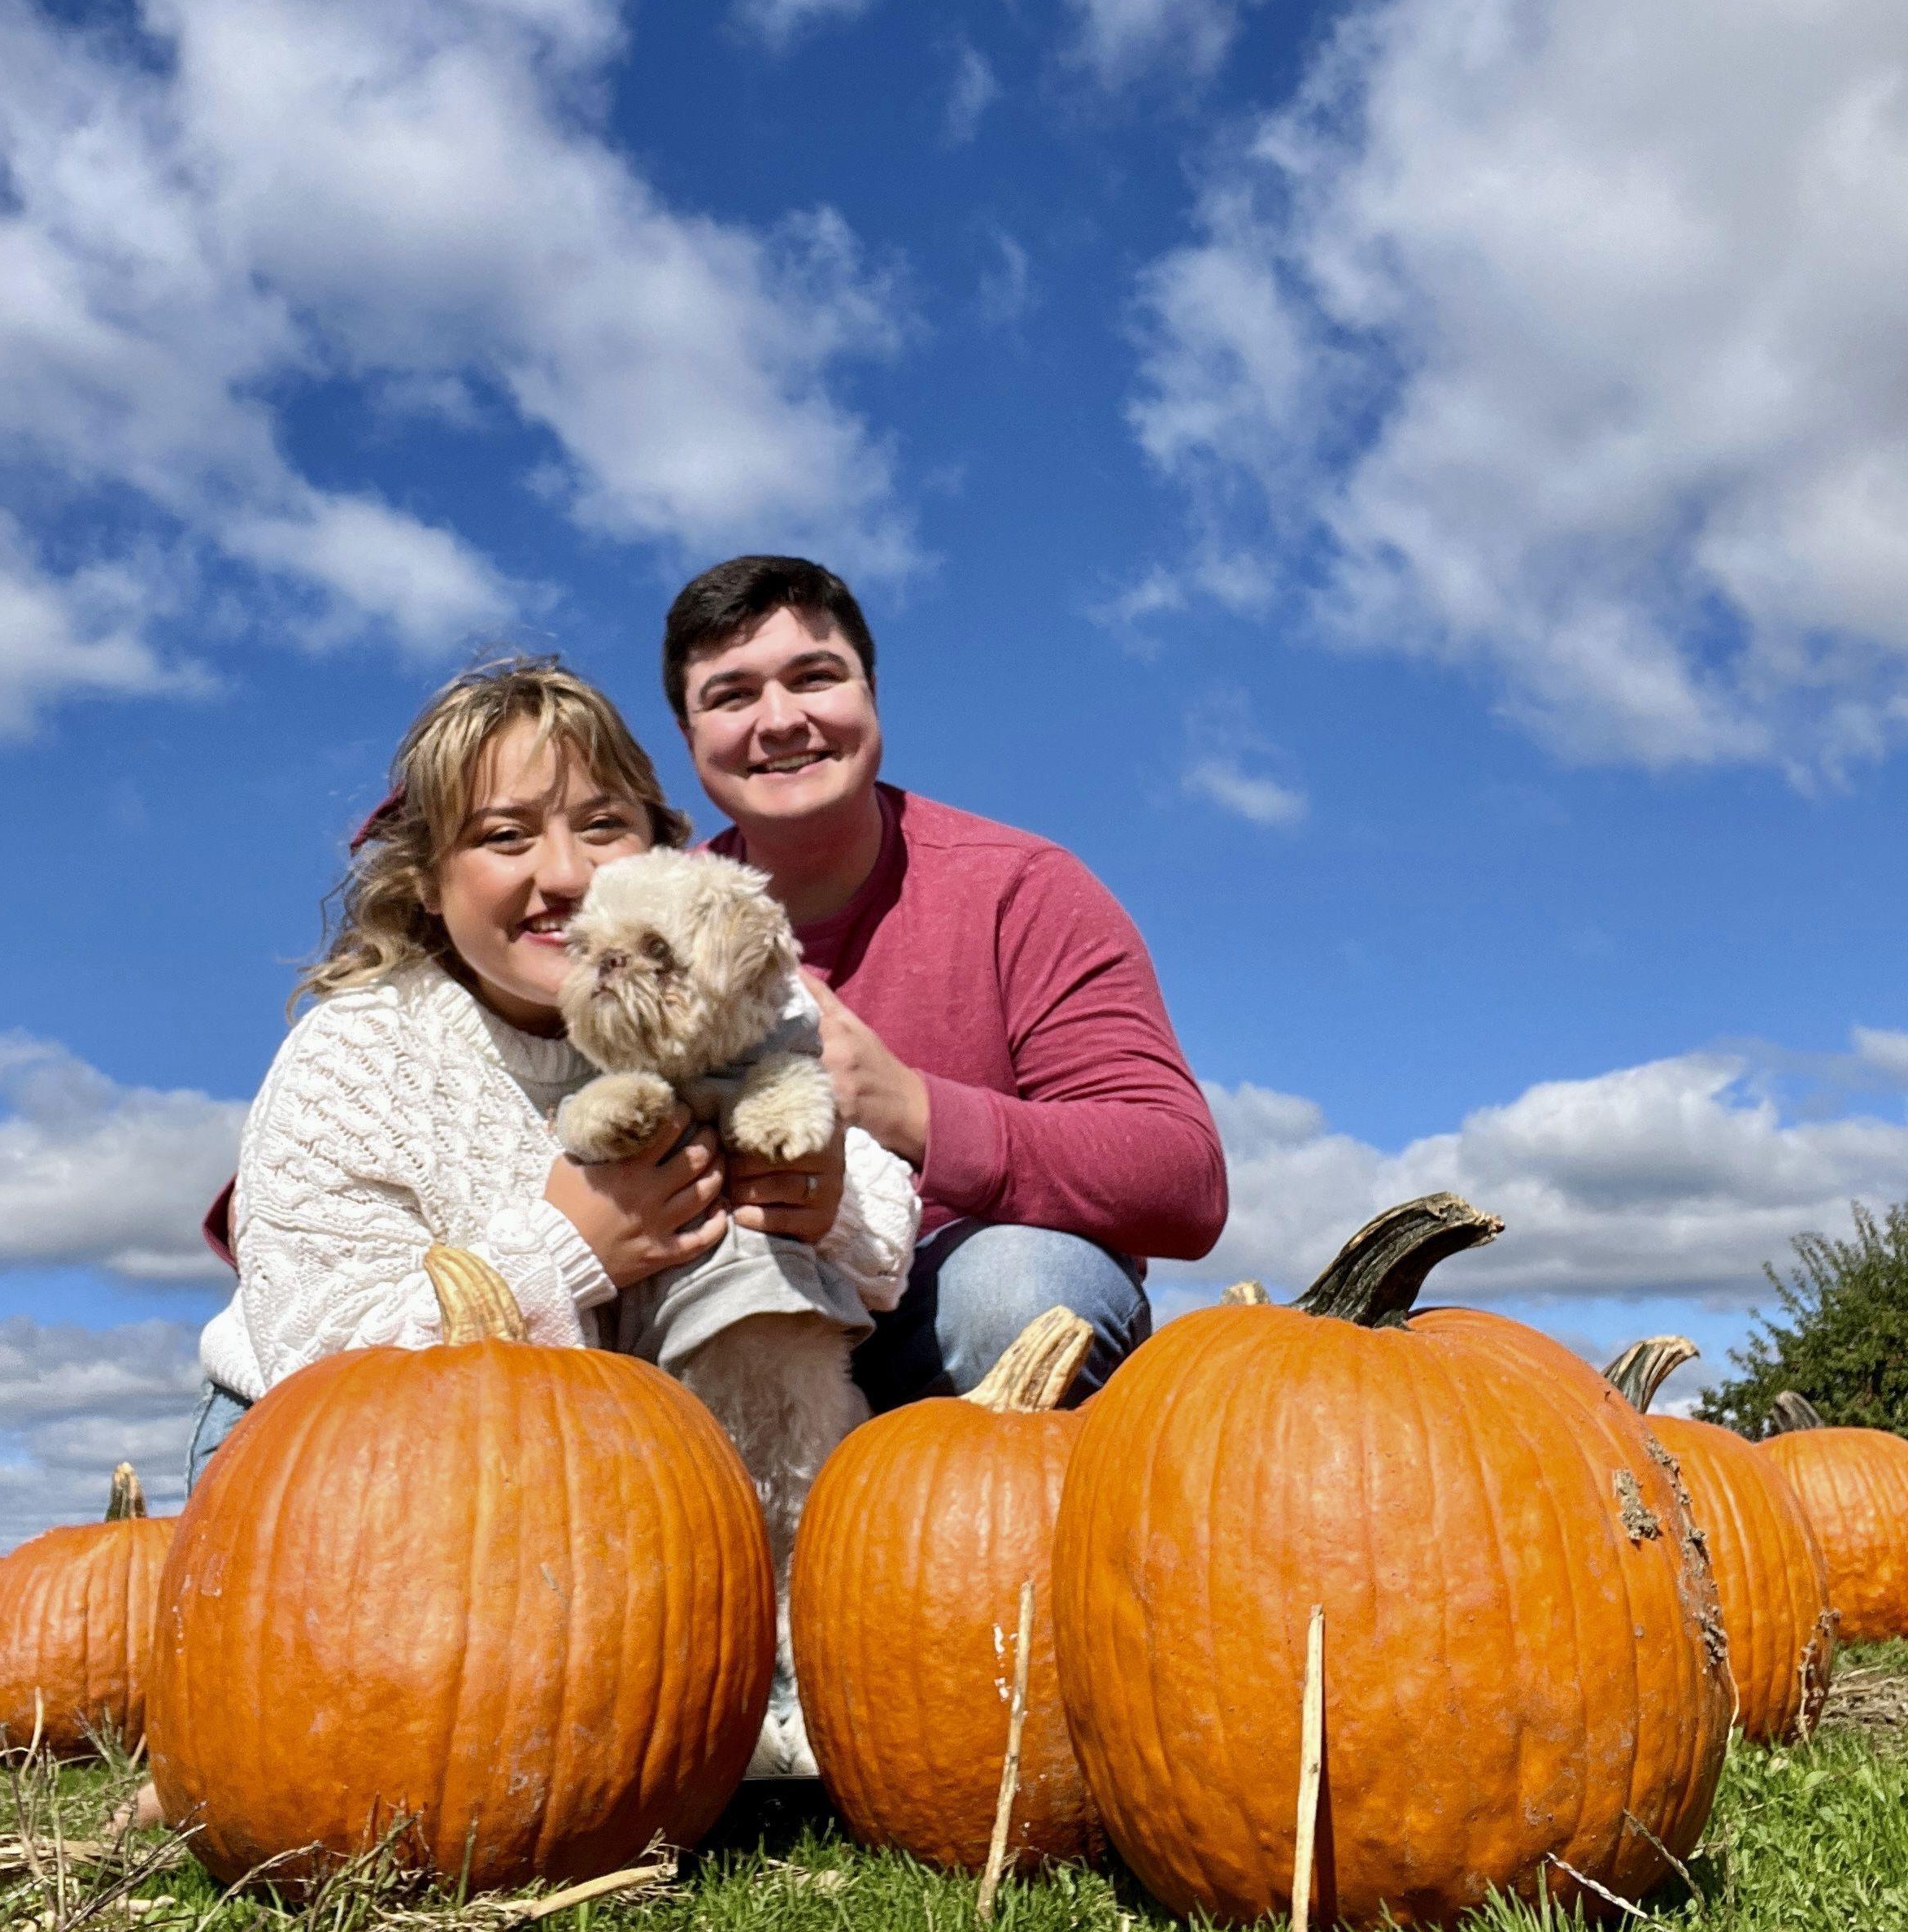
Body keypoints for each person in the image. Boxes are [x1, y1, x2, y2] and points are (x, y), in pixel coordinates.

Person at [188, 658, 917, 1519]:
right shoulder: (353, 1057)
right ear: (426, 879)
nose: (565, 873)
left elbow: (880, 1212)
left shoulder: (722, 990)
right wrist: (570, 1248)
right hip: (351, 1477)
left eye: (602, 823)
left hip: (618, 1460)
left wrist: (821, 1198)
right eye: (505, 835)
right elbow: (324, 1362)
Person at [664, 556, 1228, 1409]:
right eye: (731, 694)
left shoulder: (1021, 888)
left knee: (1020, 1285)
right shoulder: (645, 918)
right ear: (687, 734)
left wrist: (913, 1110)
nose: (780, 721)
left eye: (814, 677)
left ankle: (978, 1535)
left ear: (871, 692)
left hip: (933, 1333)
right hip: (724, 1321)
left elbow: (1180, 1178)